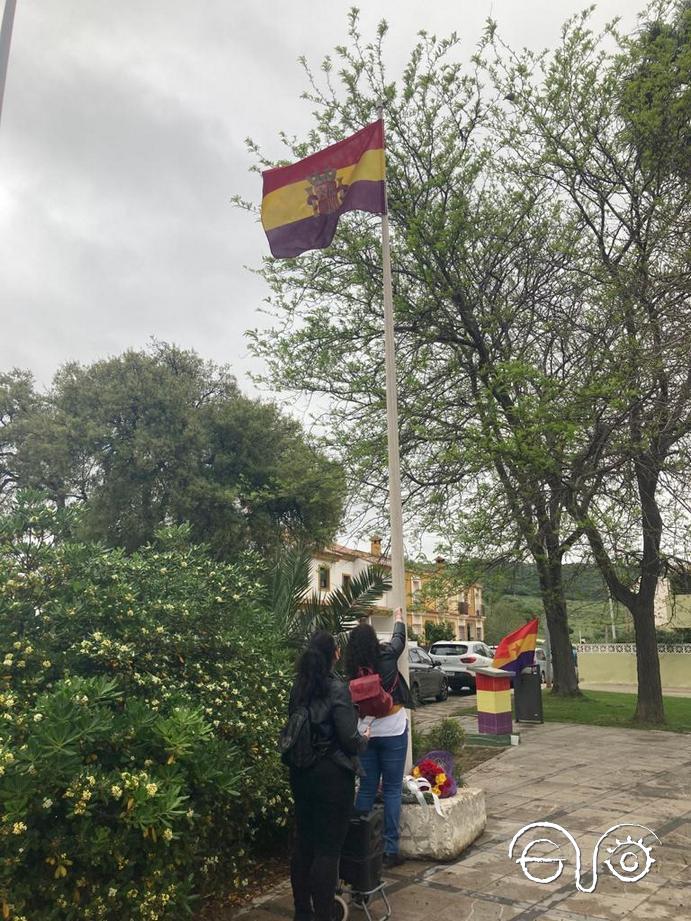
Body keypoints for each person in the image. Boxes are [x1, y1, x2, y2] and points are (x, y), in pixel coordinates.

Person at [287, 630, 370, 921]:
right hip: (332, 777)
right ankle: (325, 914)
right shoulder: (336, 688)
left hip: (301, 773)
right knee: (328, 849)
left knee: (304, 843)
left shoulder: (299, 686)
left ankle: (302, 911)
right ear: (333, 654)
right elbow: (349, 738)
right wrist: (364, 737)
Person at [345, 607, 414, 868]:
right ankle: (390, 850)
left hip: (366, 733)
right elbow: (399, 640)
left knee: (366, 788)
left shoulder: (352, 668)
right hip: (394, 728)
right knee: (393, 789)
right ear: (374, 641)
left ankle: (362, 846)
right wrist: (398, 619)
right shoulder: (386, 656)